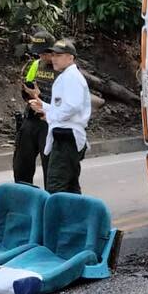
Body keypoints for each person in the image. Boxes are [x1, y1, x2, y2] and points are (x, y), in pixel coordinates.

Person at [29, 39, 92, 194]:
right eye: (53, 55)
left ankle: (57, 218)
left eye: (59, 55)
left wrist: (50, 116)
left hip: (67, 138)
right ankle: (76, 217)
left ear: (70, 58)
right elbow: (63, 108)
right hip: (65, 136)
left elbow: (72, 107)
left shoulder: (72, 77)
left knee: (56, 186)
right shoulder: (66, 76)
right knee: (70, 186)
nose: (53, 58)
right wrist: (44, 106)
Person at [13, 28, 57, 185]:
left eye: (44, 53)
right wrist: (27, 92)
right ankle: (25, 198)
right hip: (32, 119)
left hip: (50, 121)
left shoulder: (63, 69)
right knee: (21, 165)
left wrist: (40, 97)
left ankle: (51, 203)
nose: (41, 56)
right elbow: (28, 87)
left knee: (51, 169)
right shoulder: (36, 64)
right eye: (39, 53)